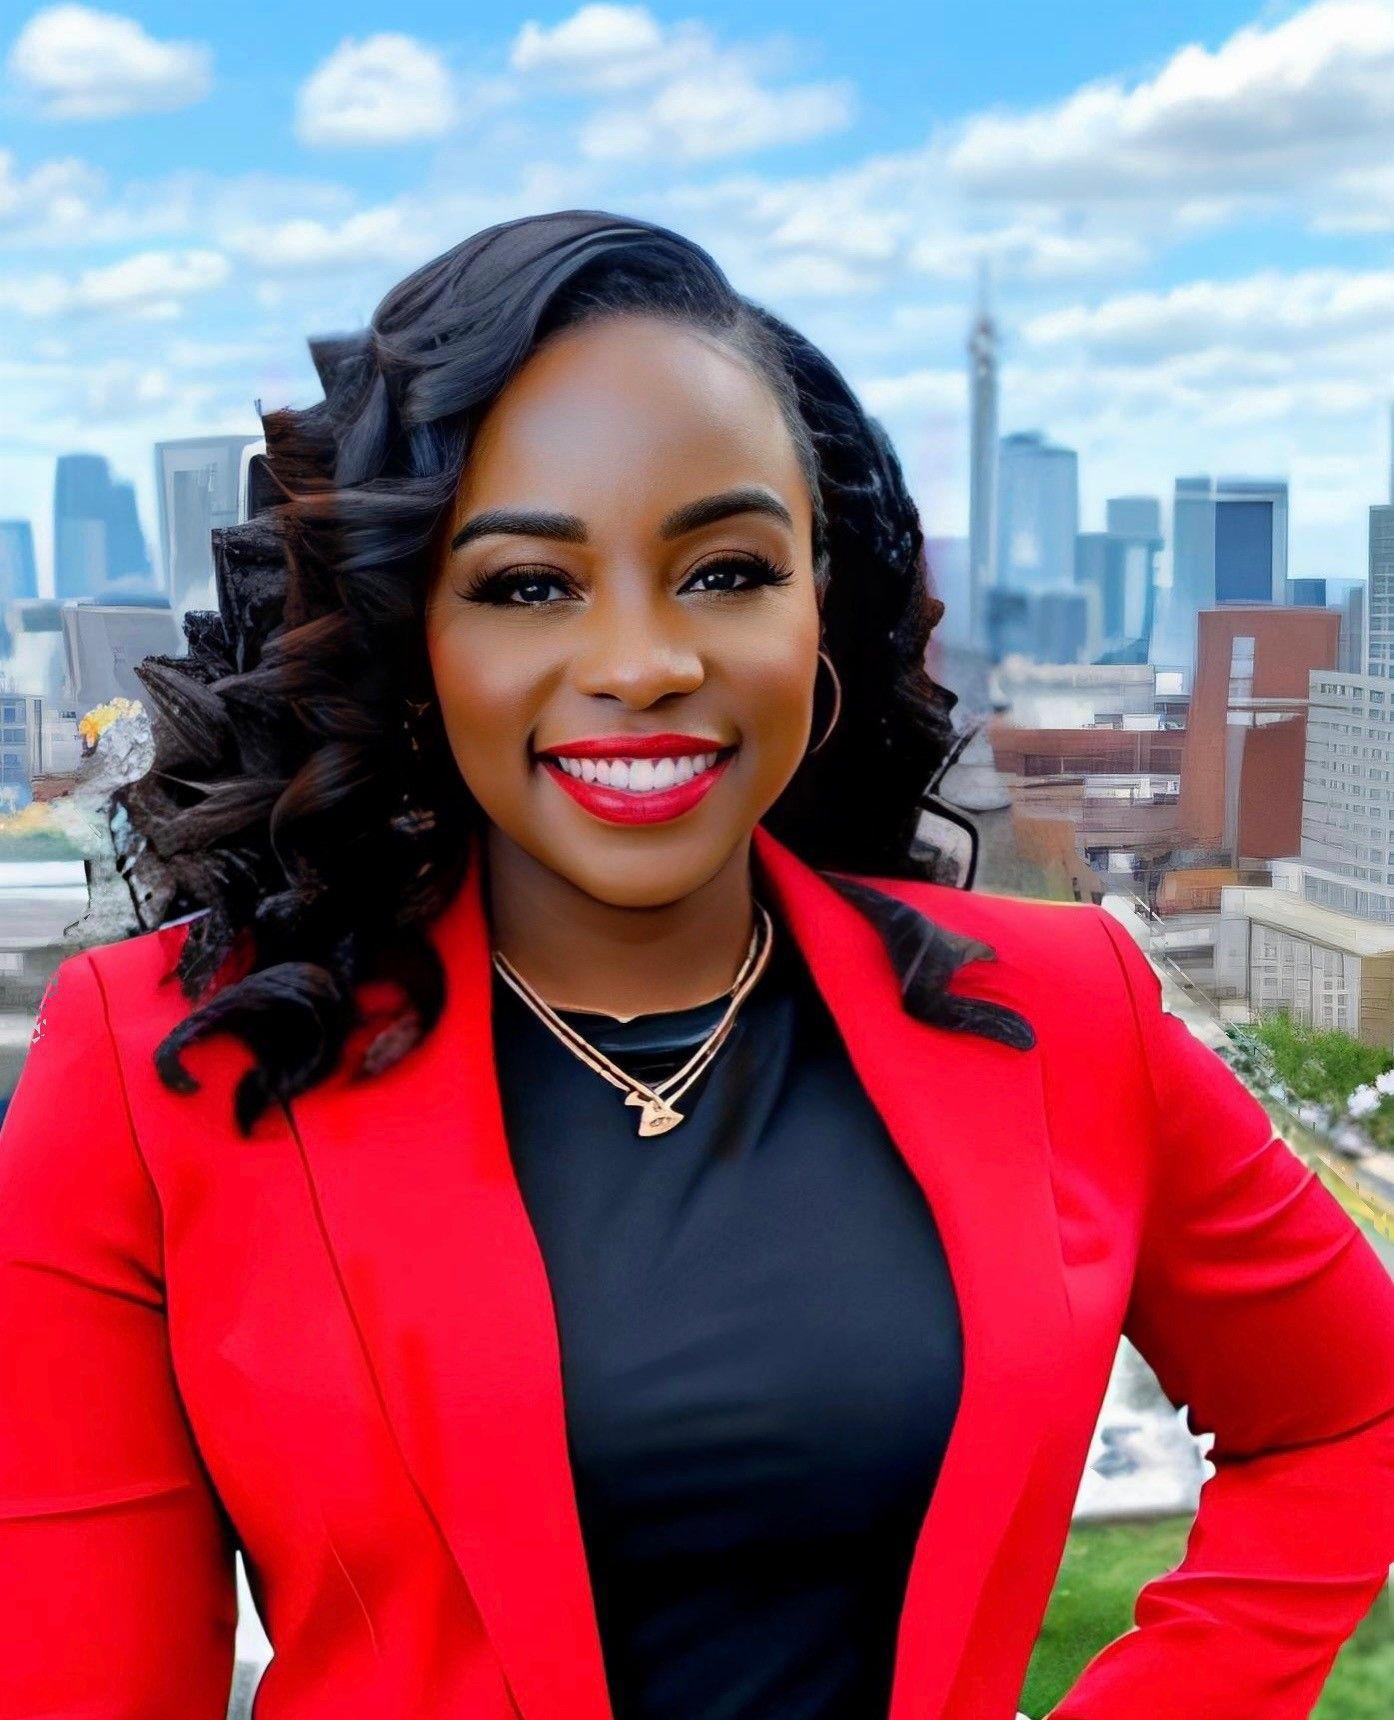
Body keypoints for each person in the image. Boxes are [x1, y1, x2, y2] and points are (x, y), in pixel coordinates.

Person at [1, 210, 1392, 1720]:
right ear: (414, 639)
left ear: (822, 605)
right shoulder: (159, 1071)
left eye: (726, 570)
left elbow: (1350, 1416)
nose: (644, 660)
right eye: (528, 584)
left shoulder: (1065, 1010)